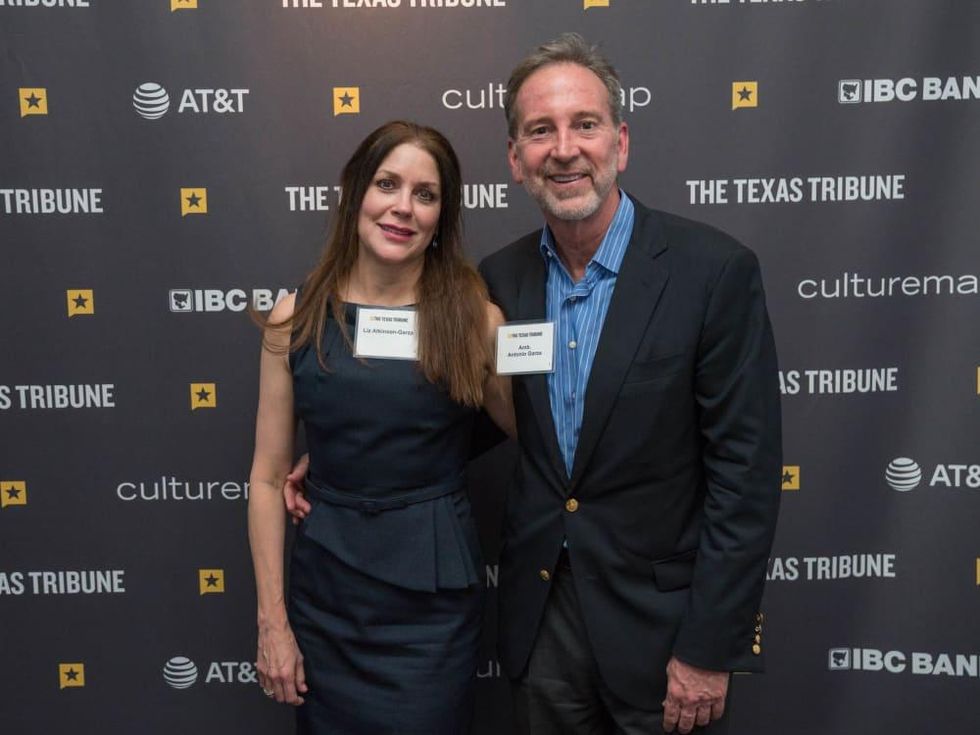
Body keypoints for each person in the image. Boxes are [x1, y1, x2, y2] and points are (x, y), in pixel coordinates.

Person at [287, 34, 781, 735]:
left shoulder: (713, 272)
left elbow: (746, 477)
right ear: (516, 160)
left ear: (620, 142)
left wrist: (711, 646)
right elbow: (470, 414)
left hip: (664, 630)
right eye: (540, 130)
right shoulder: (497, 283)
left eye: (586, 124)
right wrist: (351, 453)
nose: (565, 149)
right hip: (542, 622)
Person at [247, 120, 514, 735]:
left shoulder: (475, 320)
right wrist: (272, 623)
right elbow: (266, 480)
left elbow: (539, 438)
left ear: (442, 216)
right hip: (328, 599)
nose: (403, 207)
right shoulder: (296, 316)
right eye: (387, 184)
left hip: (431, 610)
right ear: (355, 193)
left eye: (425, 194)